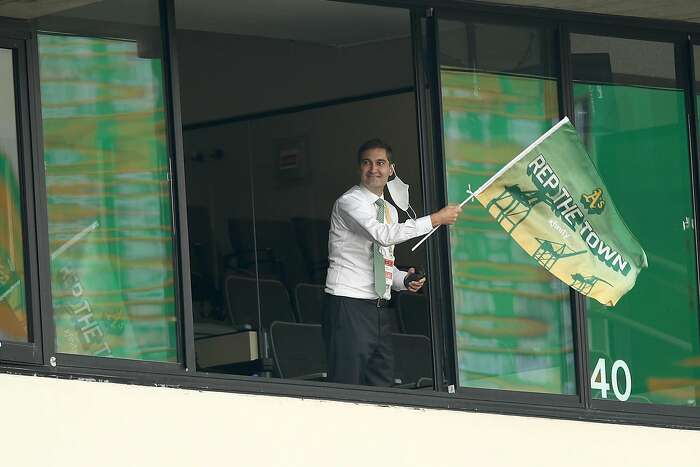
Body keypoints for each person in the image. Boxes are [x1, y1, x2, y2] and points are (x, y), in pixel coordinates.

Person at [323, 138, 461, 386]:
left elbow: (384, 259)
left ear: (391, 169)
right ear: (359, 168)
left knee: (383, 388)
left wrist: (403, 280)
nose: (373, 169)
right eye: (367, 163)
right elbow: (382, 234)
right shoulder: (350, 202)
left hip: (379, 309)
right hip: (348, 304)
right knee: (346, 386)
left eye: (380, 163)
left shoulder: (390, 210)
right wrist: (435, 219)